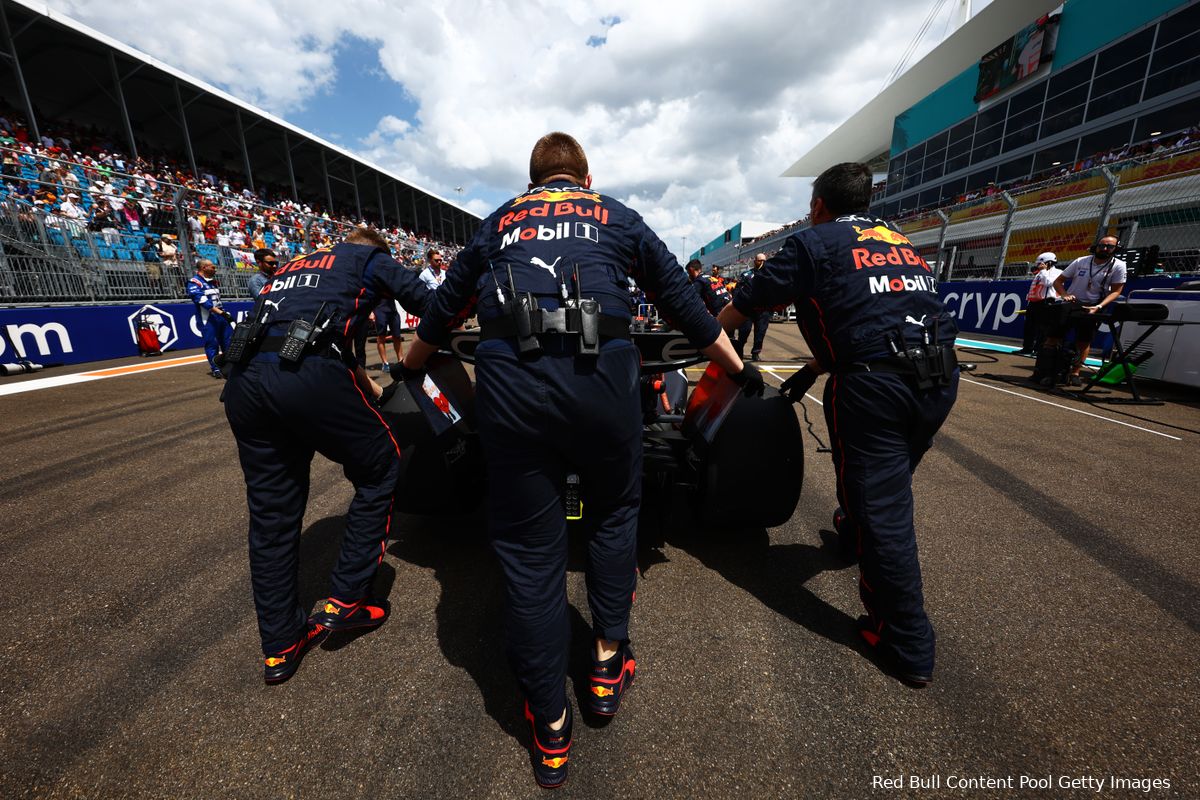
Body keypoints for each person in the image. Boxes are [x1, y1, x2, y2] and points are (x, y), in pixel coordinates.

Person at [400, 132, 754, 788]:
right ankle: (604, 662)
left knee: (530, 553)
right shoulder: (616, 214)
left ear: (532, 180)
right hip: (602, 388)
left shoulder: (500, 221)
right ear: (584, 177)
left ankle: (550, 726)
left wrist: (409, 366)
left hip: (514, 391)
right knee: (616, 516)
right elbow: (683, 302)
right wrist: (737, 367)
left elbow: (444, 310)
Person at [717, 162, 959, 688]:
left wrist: (703, 338)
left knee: (885, 512)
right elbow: (875, 314)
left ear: (818, 206)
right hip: (938, 379)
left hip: (877, 388)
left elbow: (742, 307)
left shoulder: (814, 242)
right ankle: (852, 536)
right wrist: (809, 369)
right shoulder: (898, 239)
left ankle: (907, 642)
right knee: (878, 491)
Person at [222, 227, 433, 686]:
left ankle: (280, 645)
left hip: (244, 384)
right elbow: (431, 305)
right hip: (305, 379)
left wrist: (369, 386)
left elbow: (313, 335)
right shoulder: (369, 260)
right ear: (376, 250)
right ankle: (349, 599)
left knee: (272, 518)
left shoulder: (293, 266)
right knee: (380, 467)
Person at [1044, 235, 1127, 386]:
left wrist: (1099, 306)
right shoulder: (1081, 261)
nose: (1105, 248)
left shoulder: (1119, 265)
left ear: (1116, 249)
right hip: (1072, 303)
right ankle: (1046, 371)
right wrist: (1064, 295)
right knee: (1053, 337)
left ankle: (1075, 372)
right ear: (1097, 246)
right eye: (1102, 245)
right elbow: (1058, 281)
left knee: (1084, 341)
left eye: (1109, 246)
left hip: (1094, 305)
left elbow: (1116, 291)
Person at [187, 259, 234, 378]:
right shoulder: (194, 282)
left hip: (221, 316)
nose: (215, 269)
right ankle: (216, 368)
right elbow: (202, 301)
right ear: (204, 267)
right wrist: (221, 313)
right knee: (212, 344)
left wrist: (223, 313)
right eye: (212, 267)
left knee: (227, 342)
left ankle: (229, 366)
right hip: (207, 319)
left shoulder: (213, 282)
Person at [1015, 252, 1058, 357]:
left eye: (1041, 263)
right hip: (1034, 303)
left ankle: (1039, 350)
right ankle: (1027, 348)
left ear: (1048, 263)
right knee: (1029, 326)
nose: (1038, 265)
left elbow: (1049, 283)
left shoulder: (1057, 272)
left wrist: (1043, 271)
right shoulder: (1040, 273)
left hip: (1047, 302)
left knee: (1043, 328)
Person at [745, 253, 772, 361]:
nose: (762, 263)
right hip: (748, 308)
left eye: (764, 261)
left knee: (760, 332)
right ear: (755, 261)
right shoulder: (747, 275)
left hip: (763, 309)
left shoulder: (770, 275)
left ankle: (756, 352)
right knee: (744, 331)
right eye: (760, 260)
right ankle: (739, 349)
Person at [372, 298, 404, 373]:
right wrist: (371, 312)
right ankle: (385, 363)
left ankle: (401, 360)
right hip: (380, 310)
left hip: (393, 311)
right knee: (381, 337)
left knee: (397, 336)